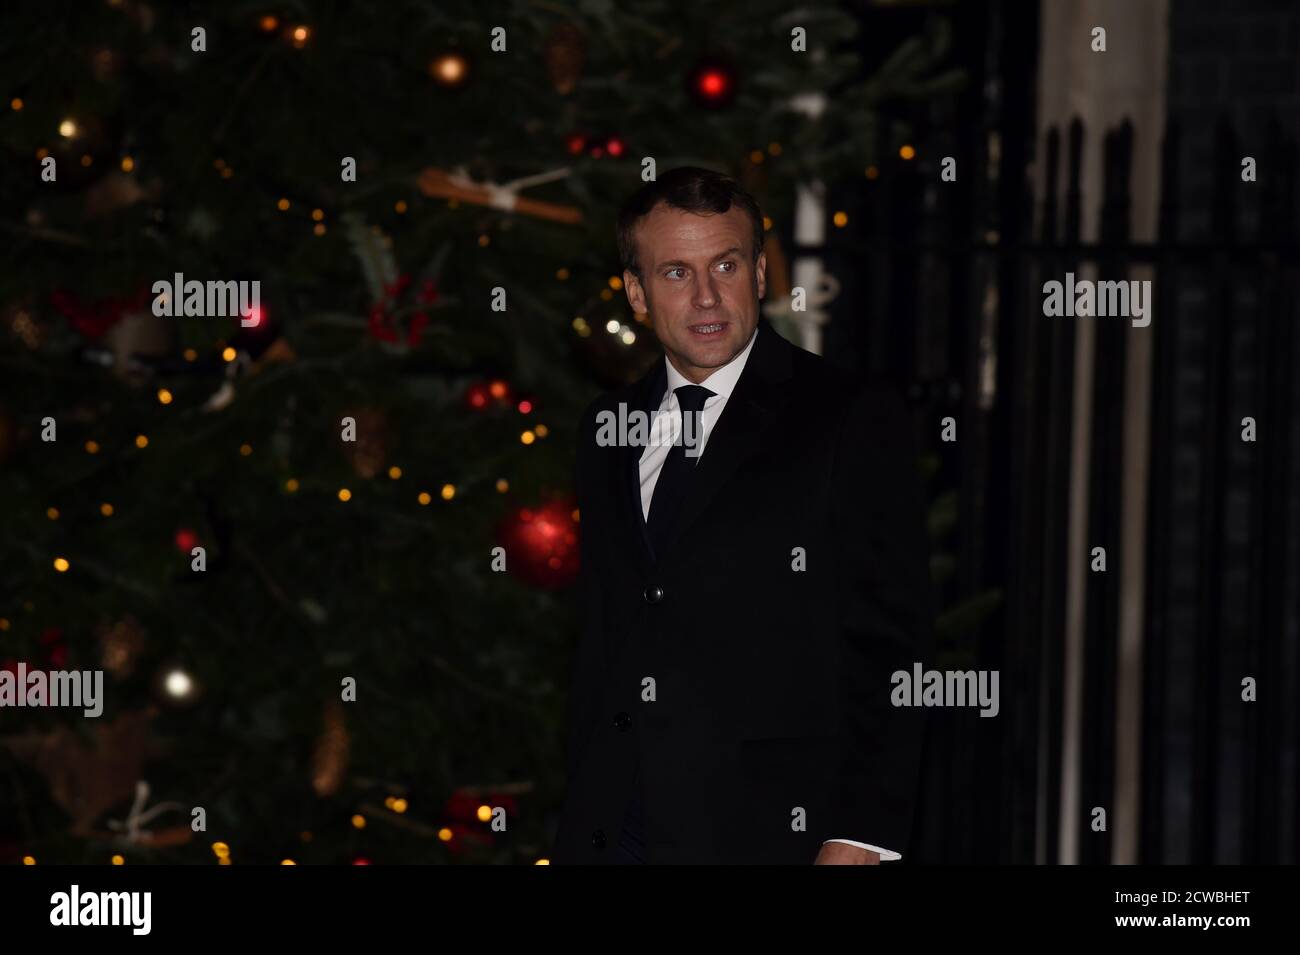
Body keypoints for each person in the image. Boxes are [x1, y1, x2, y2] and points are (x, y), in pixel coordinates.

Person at [553, 166, 934, 864]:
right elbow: (608, 634)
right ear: (637, 293)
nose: (706, 297)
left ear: (759, 273)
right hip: (616, 829)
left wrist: (859, 838)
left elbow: (891, 644)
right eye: (675, 272)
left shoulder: (846, 416)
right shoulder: (606, 429)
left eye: (725, 264)